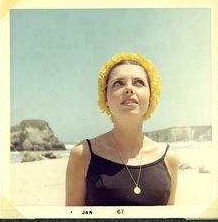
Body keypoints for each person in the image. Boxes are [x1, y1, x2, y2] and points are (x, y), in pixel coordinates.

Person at [66, 52, 179, 206]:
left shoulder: (168, 158)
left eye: (138, 82)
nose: (129, 89)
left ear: (151, 95)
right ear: (105, 97)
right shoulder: (82, 155)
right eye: (118, 83)